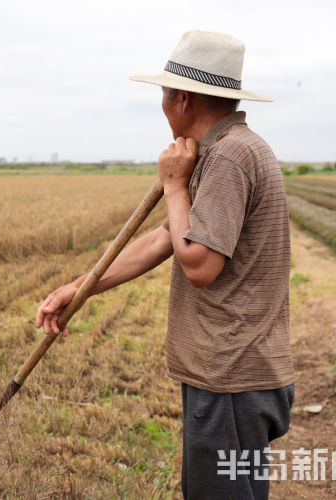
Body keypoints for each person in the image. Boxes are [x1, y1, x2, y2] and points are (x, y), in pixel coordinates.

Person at [35, 30, 294, 500]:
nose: (162, 105)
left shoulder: (231, 156)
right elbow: (166, 239)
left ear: (183, 98)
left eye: (163, 94)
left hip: (230, 377)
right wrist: (82, 288)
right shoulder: (223, 149)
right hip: (235, 374)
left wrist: (174, 186)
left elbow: (199, 265)